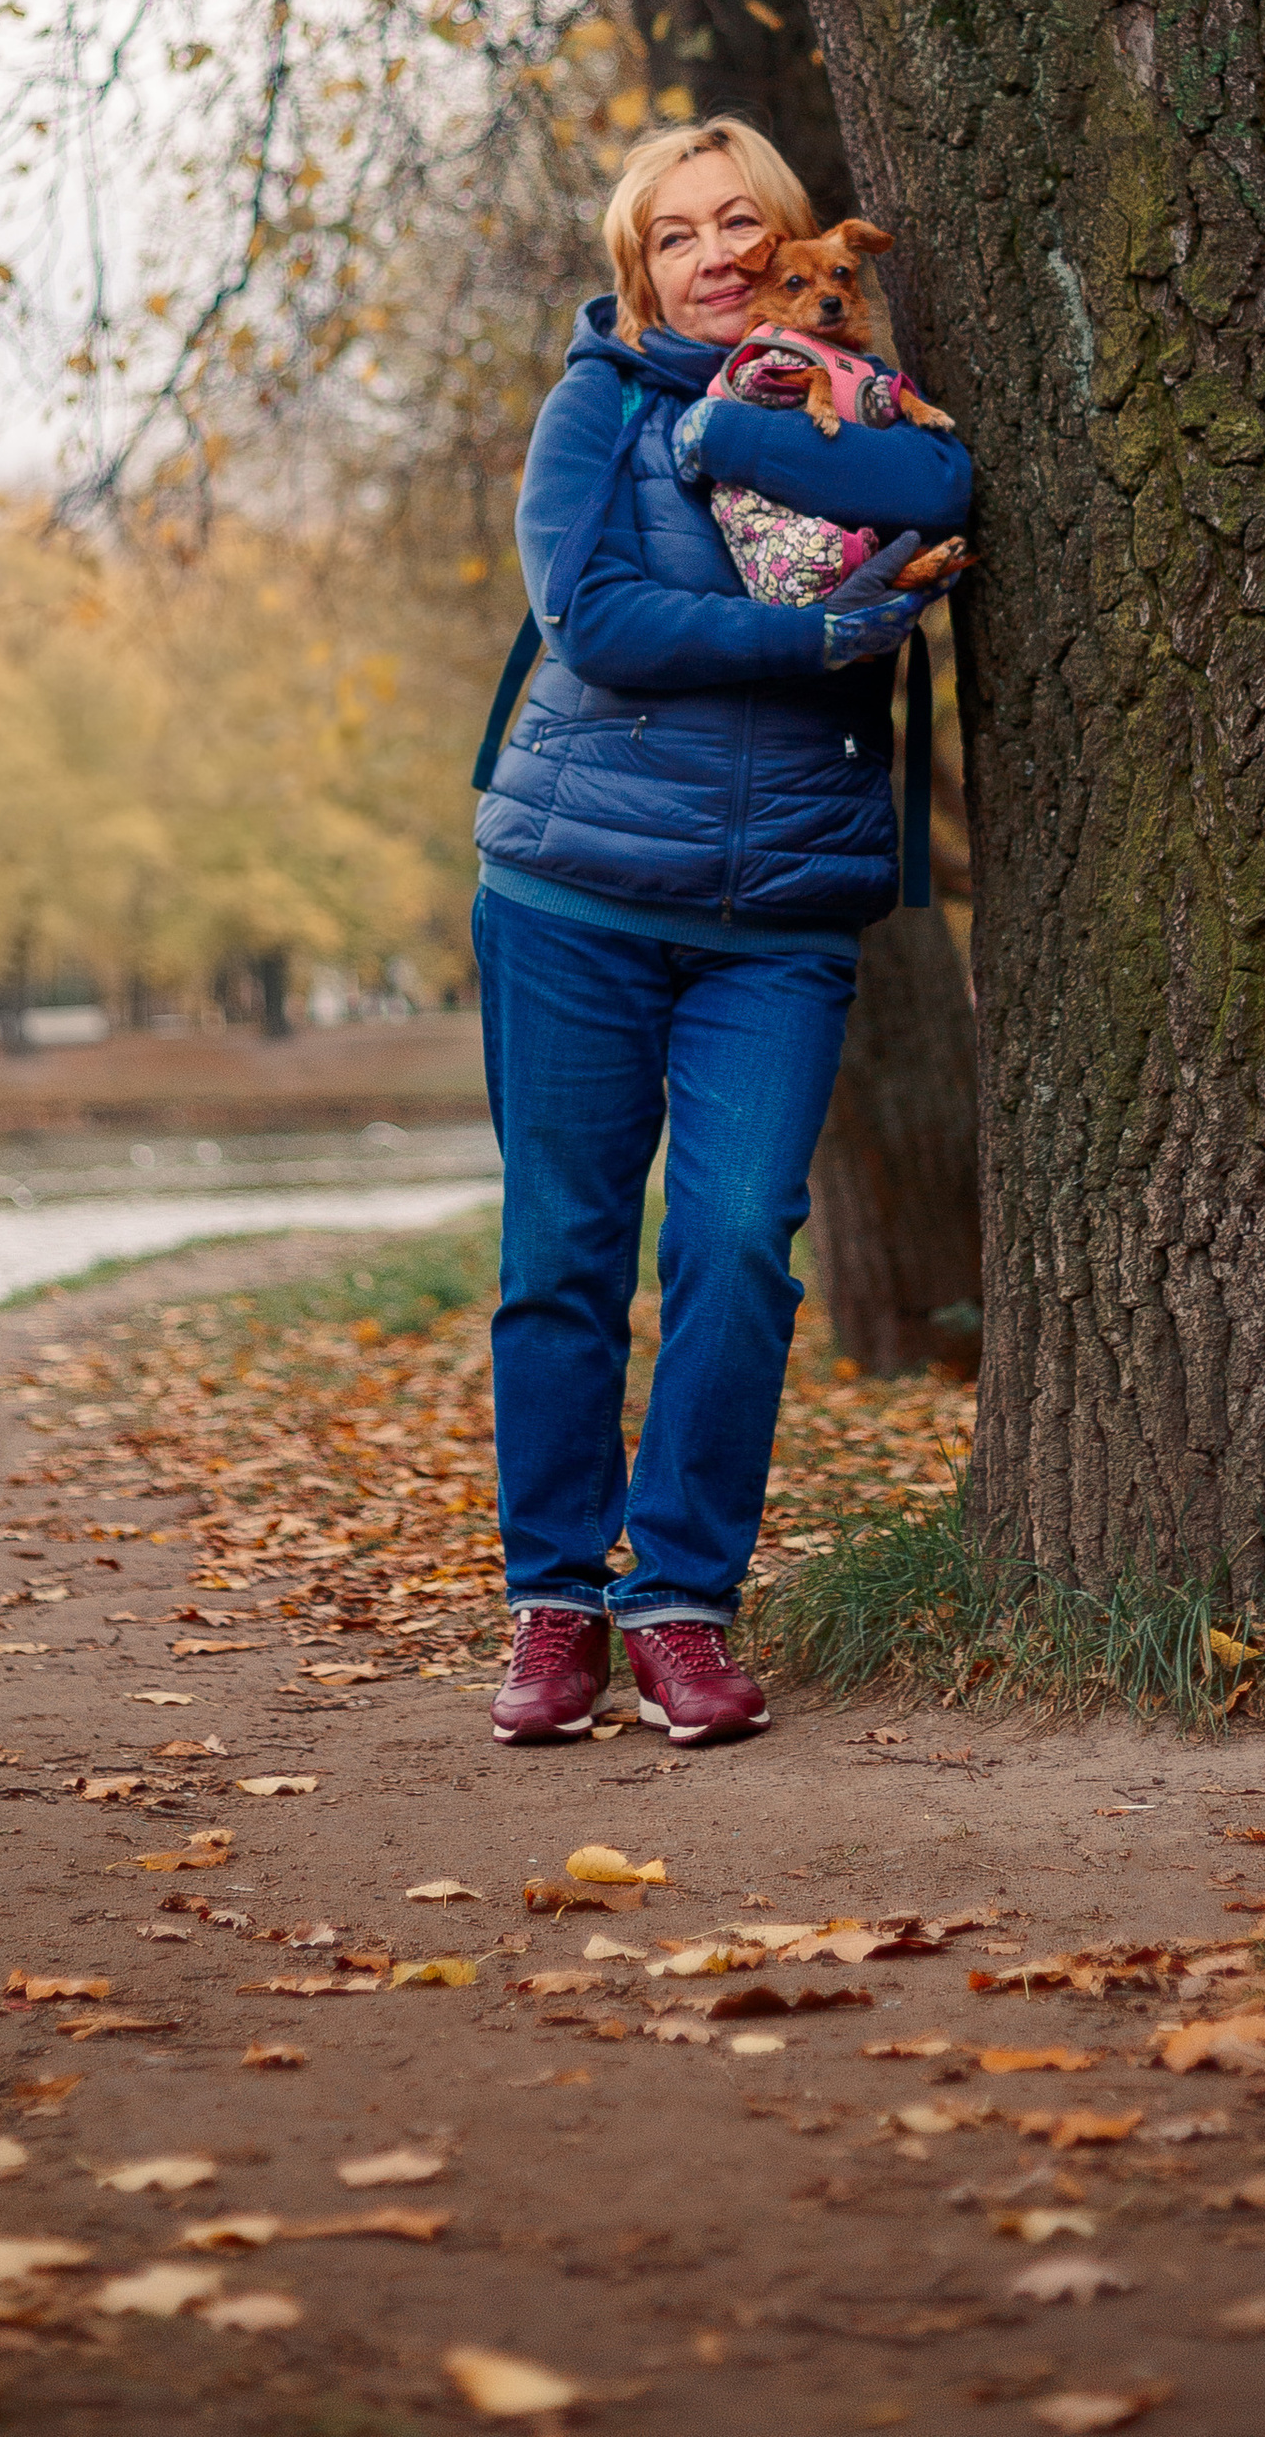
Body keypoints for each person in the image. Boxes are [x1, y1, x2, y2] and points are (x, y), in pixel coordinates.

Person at [472, 114, 971, 1745]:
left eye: (740, 222)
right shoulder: (594, 408)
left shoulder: (846, 400)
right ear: (640, 264)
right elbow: (594, 621)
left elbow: (941, 485)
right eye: (675, 233)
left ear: (786, 241)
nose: (714, 253)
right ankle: (554, 1604)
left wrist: (734, 448)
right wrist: (829, 629)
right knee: (564, 1253)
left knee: (740, 1246)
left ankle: (680, 1600)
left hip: (779, 917)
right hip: (574, 899)